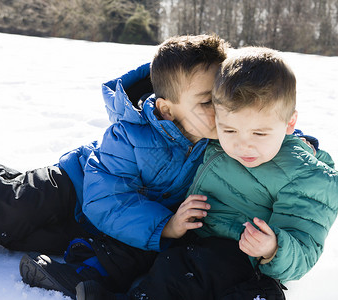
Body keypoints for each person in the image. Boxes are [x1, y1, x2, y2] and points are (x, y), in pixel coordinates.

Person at [107, 46, 338, 300]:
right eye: (230, 130)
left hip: (239, 262)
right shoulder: (214, 141)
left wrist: (273, 248)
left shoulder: (308, 178)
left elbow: (304, 248)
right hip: (188, 240)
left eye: (259, 134)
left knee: (193, 272)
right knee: (137, 250)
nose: (243, 144)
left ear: (290, 123)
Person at [14, 34, 231, 298]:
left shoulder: (224, 139)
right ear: (167, 110)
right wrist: (166, 225)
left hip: (118, 224)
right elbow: (106, 197)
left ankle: (83, 273)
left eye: (226, 96)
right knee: (7, 207)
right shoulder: (130, 134)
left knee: (33, 237)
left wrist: (284, 137)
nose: (223, 109)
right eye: (207, 101)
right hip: (75, 185)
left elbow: (264, 127)